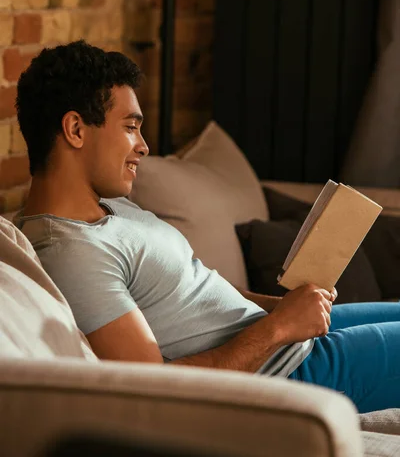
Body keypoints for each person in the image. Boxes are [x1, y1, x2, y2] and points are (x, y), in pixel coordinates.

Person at [14, 40, 400, 414]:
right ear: (76, 130)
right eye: (130, 127)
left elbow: (191, 283)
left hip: (281, 340)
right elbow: (147, 389)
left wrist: (277, 308)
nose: (144, 146)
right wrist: (279, 328)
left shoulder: (109, 206)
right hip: (287, 376)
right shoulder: (73, 254)